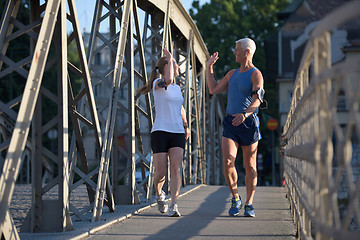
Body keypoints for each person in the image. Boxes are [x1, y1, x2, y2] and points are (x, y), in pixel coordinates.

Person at [206, 38, 264, 217]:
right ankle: (236, 197)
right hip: (231, 123)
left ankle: (249, 203)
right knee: (228, 161)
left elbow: (257, 100)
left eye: (237, 50)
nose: (234, 52)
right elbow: (213, 89)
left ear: (247, 52)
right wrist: (209, 67)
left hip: (248, 123)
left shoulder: (256, 74)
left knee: (250, 165)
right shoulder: (232, 74)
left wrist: (245, 114)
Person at [137, 48, 190, 217]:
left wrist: (186, 125)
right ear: (166, 68)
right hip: (160, 131)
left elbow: (180, 107)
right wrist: (169, 57)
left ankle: (174, 204)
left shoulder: (176, 88)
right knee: (160, 172)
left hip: (177, 132)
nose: (176, 65)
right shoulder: (158, 84)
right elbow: (167, 80)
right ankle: (160, 195)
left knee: (176, 169)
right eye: (173, 64)